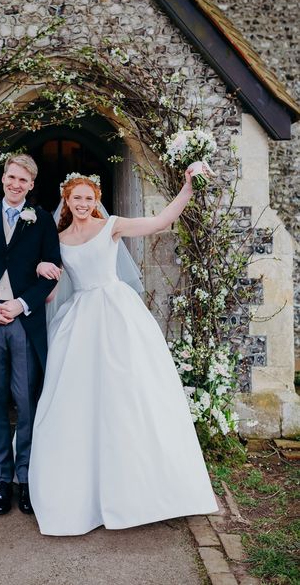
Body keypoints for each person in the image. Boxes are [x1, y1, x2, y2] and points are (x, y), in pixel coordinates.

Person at [28, 169, 218, 536]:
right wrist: (40, 268)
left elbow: (159, 221)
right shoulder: (59, 238)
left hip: (117, 315)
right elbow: (52, 293)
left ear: (96, 200)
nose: (82, 204)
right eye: (76, 198)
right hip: (79, 320)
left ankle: (144, 489)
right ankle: (82, 492)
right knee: (76, 402)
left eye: (88, 198)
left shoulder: (111, 226)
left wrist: (187, 188)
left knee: (130, 396)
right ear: (66, 200)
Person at [0, 154, 61, 517]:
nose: (16, 184)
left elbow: (52, 272)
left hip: (23, 321)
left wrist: (21, 304)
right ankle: (1, 480)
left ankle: (26, 479)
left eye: (24, 180)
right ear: (3, 178)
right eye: (11, 177)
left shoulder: (43, 221)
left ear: (32, 185)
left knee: (28, 400)